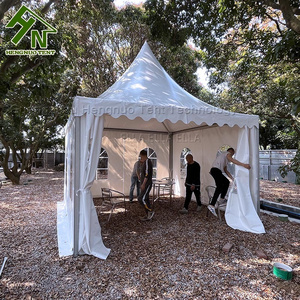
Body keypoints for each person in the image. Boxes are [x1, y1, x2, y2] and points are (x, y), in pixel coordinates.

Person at [208, 147, 251, 217]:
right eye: (233, 154)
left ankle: (221, 199)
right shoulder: (227, 154)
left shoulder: (225, 160)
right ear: (230, 151)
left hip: (215, 171)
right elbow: (233, 160)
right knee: (220, 186)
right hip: (215, 170)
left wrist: (233, 179)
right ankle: (212, 205)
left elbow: (226, 171)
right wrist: (244, 165)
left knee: (226, 182)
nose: (232, 155)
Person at [138, 150, 155, 221]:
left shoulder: (148, 162)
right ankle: (147, 214)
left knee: (141, 199)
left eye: (141, 156)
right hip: (144, 183)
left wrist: (143, 184)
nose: (140, 157)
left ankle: (150, 211)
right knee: (146, 198)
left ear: (143, 155)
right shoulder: (145, 162)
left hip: (147, 184)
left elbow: (147, 175)